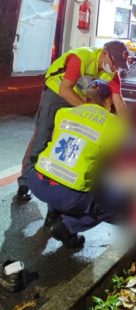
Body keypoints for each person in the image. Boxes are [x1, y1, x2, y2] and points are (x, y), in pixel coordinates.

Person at [15, 41, 129, 203]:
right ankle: (25, 183)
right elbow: (65, 89)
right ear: (104, 53)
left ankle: (61, 179)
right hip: (56, 94)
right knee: (42, 136)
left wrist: (128, 127)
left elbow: (118, 101)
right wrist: (87, 111)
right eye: (114, 62)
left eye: (119, 65)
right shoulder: (81, 56)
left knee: (76, 137)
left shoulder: (111, 72)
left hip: (77, 97)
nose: (115, 68)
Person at [24, 80, 127, 249]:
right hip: (65, 195)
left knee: (63, 168)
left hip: (36, 181)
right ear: (108, 101)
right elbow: (115, 160)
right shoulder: (113, 124)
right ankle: (66, 226)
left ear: (85, 98)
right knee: (115, 203)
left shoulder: (64, 113)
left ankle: (52, 216)